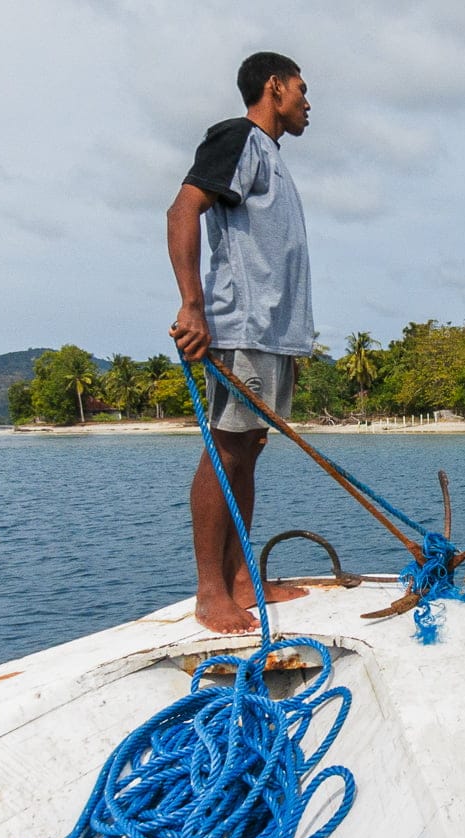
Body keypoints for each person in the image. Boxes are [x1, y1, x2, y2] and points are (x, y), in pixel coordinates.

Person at [168, 51, 313, 633]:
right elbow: (183, 209)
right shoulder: (239, 138)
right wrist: (192, 305)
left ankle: (239, 578)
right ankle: (211, 591)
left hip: (273, 335)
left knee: (248, 448)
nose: (308, 104)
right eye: (301, 89)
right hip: (241, 327)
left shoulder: (271, 158)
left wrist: (292, 343)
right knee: (227, 449)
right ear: (274, 87)